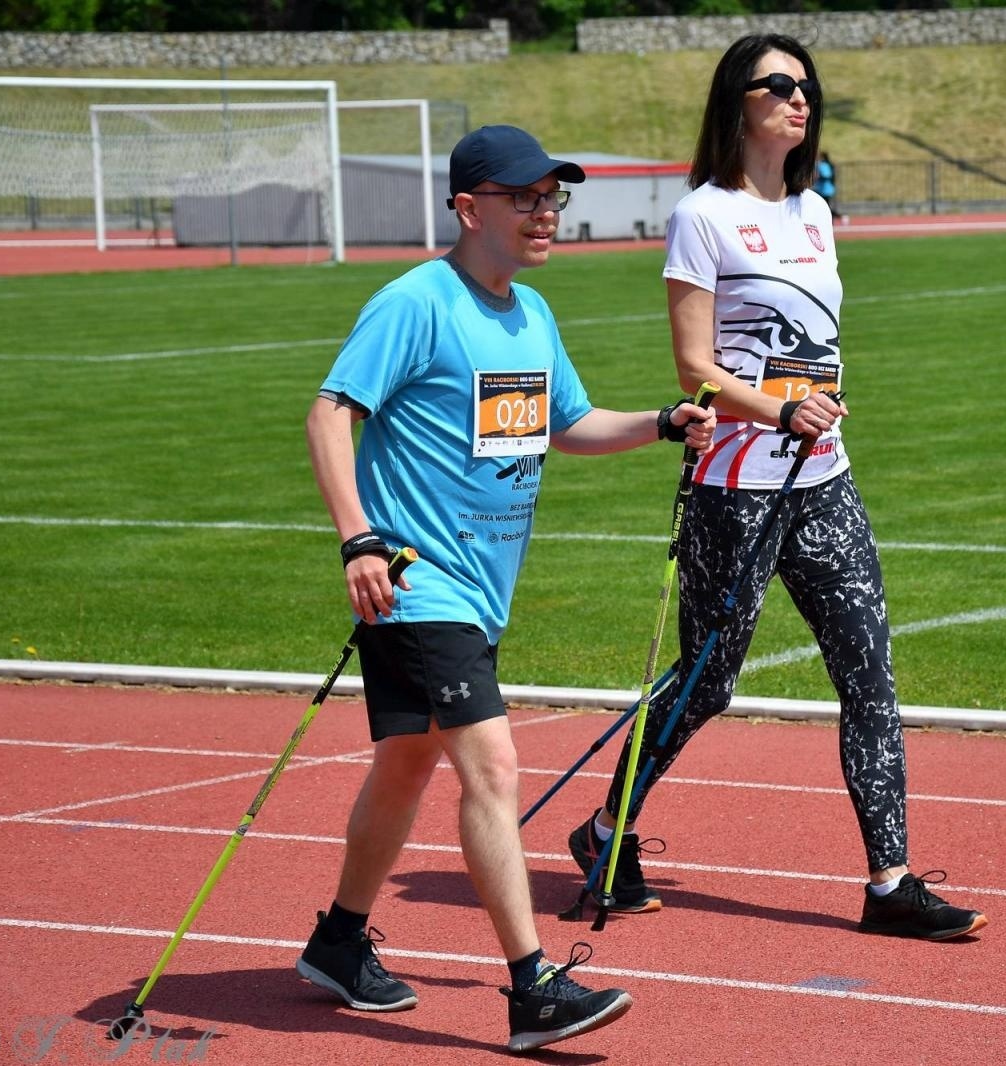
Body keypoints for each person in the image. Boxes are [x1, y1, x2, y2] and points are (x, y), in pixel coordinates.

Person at [297, 123, 716, 1053]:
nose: (545, 212)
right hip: (416, 584)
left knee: (406, 766)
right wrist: (358, 539)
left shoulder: (531, 314)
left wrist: (660, 421)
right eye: (525, 197)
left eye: (552, 197)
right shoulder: (416, 302)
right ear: (467, 207)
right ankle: (534, 988)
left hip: (480, 594)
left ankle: (337, 942)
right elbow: (329, 415)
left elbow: (569, 423)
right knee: (491, 768)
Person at [567, 35, 987, 943]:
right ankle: (604, 831)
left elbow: (813, 340)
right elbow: (695, 366)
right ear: (739, 101)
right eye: (779, 85)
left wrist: (819, 401)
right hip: (736, 486)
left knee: (868, 671)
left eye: (807, 87)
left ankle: (890, 881)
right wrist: (777, 410)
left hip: (823, 479)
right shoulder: (702, 215)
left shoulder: (814, 211)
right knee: (707, 683)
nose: (800, 99)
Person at [813, 150, 843, 221]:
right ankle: (833, 217)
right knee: (824, 206)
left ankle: (835, 217)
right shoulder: (823, 164)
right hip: (823, 189)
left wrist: (818, 177)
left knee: (825, 206)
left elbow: (827, 175)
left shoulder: (823, 165)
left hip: (825, 189)